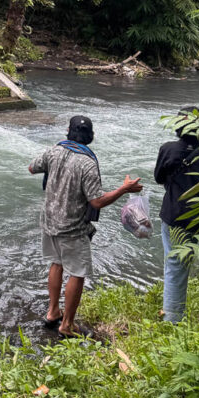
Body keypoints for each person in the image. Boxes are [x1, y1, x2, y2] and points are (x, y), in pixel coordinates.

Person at [29, 115, 143, 337]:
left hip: (50, 221)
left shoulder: (54, 151)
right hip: (73, 227)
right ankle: (67, 325)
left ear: (69, 133)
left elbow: (32, 168)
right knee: (77, 274)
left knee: (56, 263)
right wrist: (124, 189)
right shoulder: (87, 163)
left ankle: (53, 313)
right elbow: (97, 201)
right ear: (90, 136)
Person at [155, 106, 199, 323]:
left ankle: (172, 320)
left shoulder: (168, 149)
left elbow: (159, 178)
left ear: (178, 126)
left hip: (174, 217)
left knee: (175, 268)